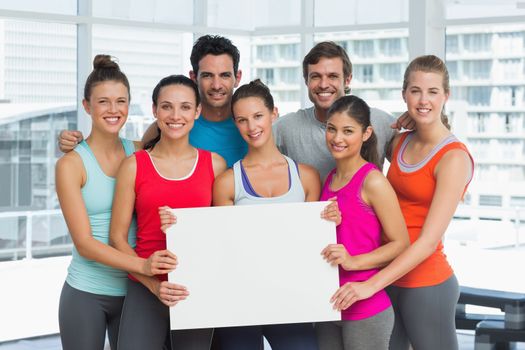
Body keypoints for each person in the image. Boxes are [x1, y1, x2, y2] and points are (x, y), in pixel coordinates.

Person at [328, 55, 474, 350]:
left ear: (447, 95)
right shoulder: (400, 142)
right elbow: (369, 192)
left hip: (426, 283)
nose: (423, 99)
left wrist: (370, 284)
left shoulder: (454, 158)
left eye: (433, 92)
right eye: (415, 91)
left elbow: (427, 242)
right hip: (387, 280)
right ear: (404, 93)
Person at [55, 55, 177, 350]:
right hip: (86, 292)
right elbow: (84, 243)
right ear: (86, 106)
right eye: (103, 102)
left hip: (135, 292)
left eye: (121, 101)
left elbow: (170, 120)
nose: (113, 110)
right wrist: (143, 266)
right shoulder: (71, 165)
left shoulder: (137, 152)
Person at [109, 74, 227, 350]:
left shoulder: (216, 165)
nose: (176, 115)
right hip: (144, 285)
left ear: (197, 111)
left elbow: (223, 234)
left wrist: (189, 225)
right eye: (166, 106)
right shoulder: (133, 166)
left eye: (185, 107)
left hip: (196, 285)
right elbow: (117, 238)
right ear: (154, 110)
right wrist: (152, 283)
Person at [315, 95, 409, 350]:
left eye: (348, 131)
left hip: (365, 307)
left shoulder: (373, 181)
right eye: (332, 129)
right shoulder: (330, 179)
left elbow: (401, 243)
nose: (337, 138)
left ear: (366, 133)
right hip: (329, 305)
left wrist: (353, 261)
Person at [273, 41, 397, 180]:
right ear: (306, 81)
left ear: (347, 79)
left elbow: (414, 162)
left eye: (332, 76)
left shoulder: (381, 121)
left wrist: (416, 120)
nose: (323, 84)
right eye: (315, 76)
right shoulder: (285, 128)